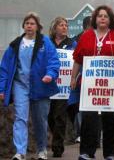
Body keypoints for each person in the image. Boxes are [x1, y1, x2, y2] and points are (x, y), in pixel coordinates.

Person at [70, 5, 114, 160]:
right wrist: (73, 78)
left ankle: (109, 154)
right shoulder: (86, 36)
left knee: (110, 119)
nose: (102, 18)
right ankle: (86, 152)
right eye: (100, 16)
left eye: (106, 16)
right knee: (88, 118)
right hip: (90, 86)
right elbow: (78, 59)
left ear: (110, 19)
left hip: (110, 86)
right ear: (95, 19)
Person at [0, 12, 60, 160]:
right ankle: (20, 152)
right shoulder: (15, 44)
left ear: (38, 26)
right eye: (27, 23)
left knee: (40, 120)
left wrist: (50, 75)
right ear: (23, 26)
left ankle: (41, 150)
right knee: (20, 117)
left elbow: (54, 61)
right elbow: (5, 68)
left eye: (32, 23)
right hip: (20, 85)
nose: (29, 26)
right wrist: (1, 88)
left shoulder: (45, 42)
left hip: (40, 86)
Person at [48, 16, 77, 158]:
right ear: (54, 28)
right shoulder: (47, 44)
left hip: (64, 87)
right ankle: (56, 138)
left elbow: (78, 60)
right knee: (50, 117)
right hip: (49, 85)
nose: (65, 27)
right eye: (61, 25)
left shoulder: (72, 44)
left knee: (60, 116)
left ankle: (57, 147)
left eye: (66, 25)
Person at [67, 16, 92, 144]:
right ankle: (79, 132)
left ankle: (90, 135)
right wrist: (73, 77)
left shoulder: (99, 38)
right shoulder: (76, 41)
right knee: (77, 105)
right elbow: (76, 60)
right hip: (80, 79)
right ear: (87, 26)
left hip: (94, 79)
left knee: (91, 107)